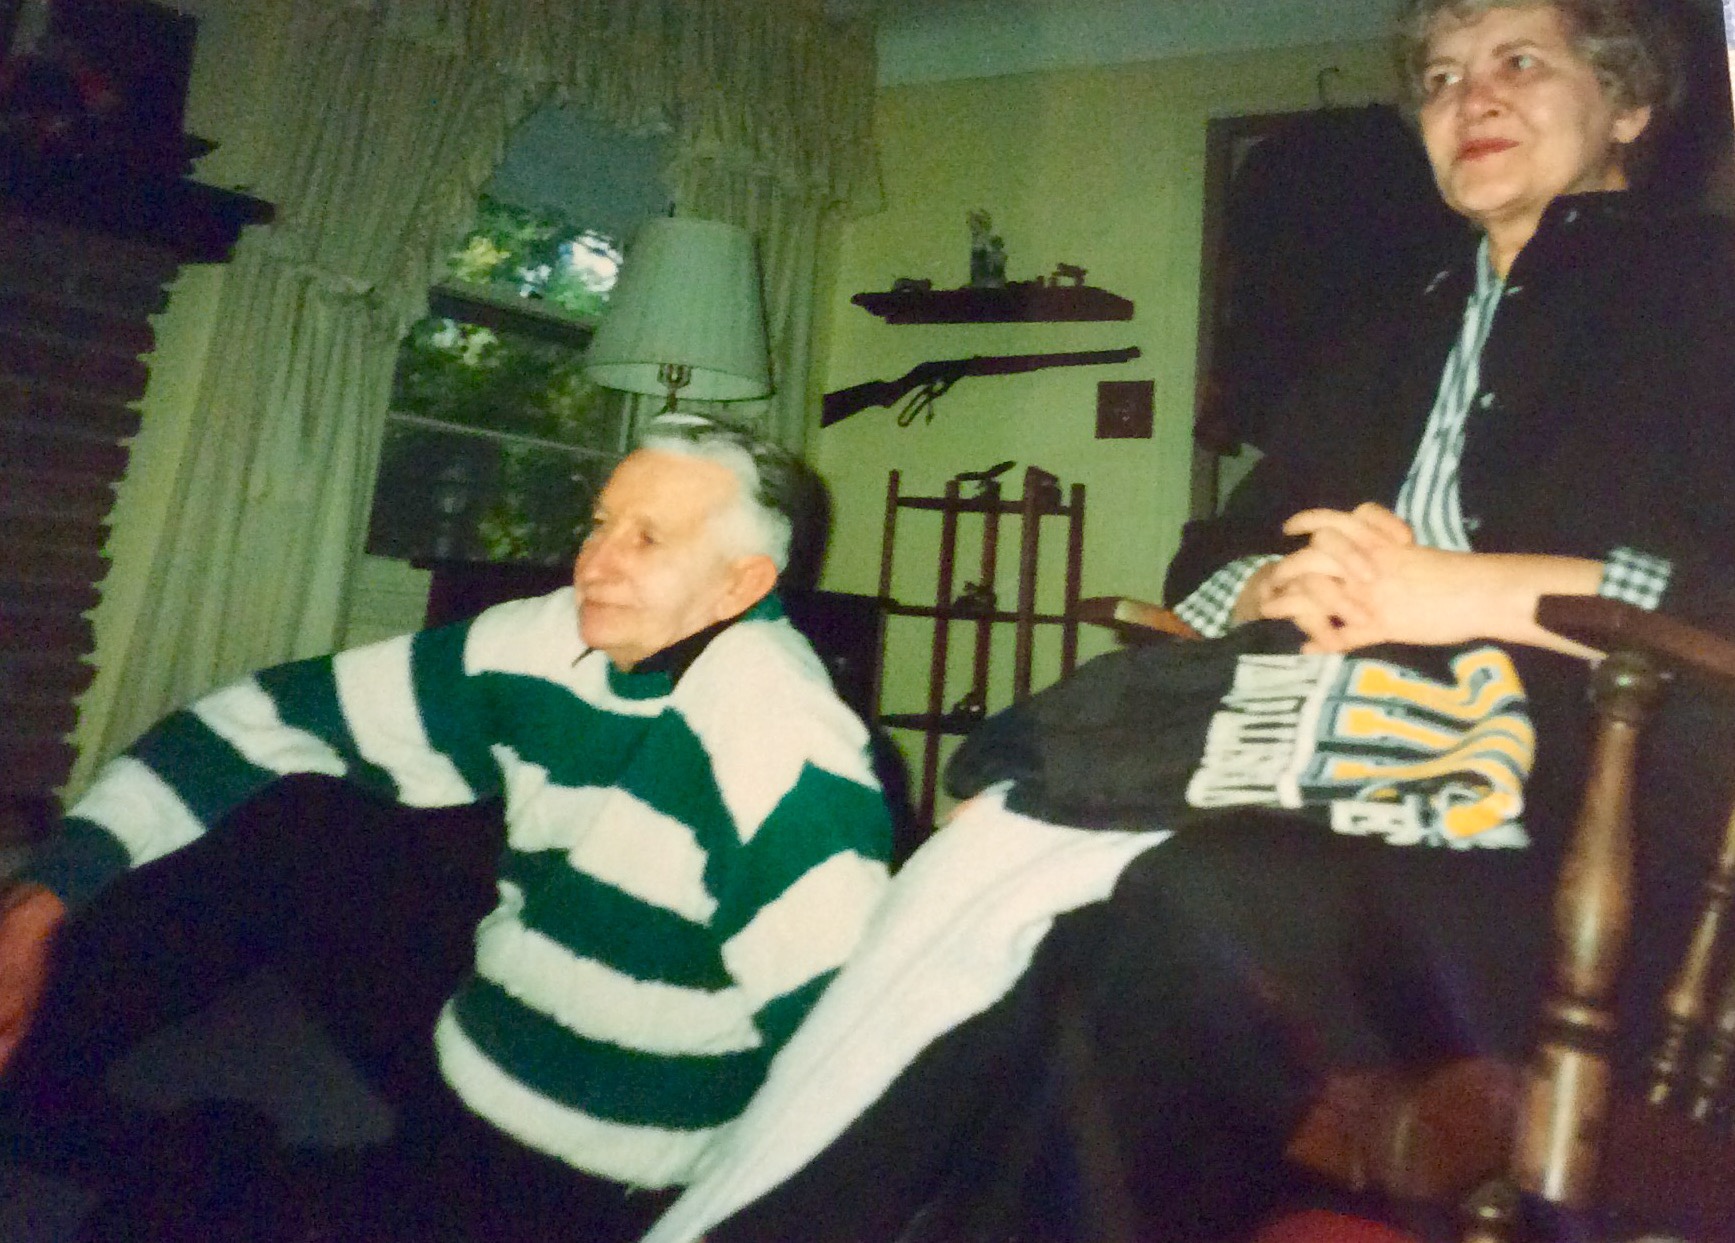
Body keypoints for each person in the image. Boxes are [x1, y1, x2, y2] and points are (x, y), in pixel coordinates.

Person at [639, 2, 1735, 1240]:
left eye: (1519, 62)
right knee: (987, 857)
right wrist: (1267, 588)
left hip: (1570, 834)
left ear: (1628, 104)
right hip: (1313, 764)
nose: (1469, 97)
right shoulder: (1391, 331)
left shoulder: (1704, 297)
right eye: (1439, 77)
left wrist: (1476, 590)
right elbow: (1216, 554)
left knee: (1183, 901)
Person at [0, 414, 894, 1241]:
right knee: (304, 819)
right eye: (601, 523)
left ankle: (211, 1159)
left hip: (609, 1161)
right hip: (483, 1036)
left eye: (647, 538)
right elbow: (262, 719)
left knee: (207, 1210)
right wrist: (42, 901)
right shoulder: (547, 640)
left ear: (741, 583)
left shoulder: (785, 747)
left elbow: (850, 1051)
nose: (594, 562)